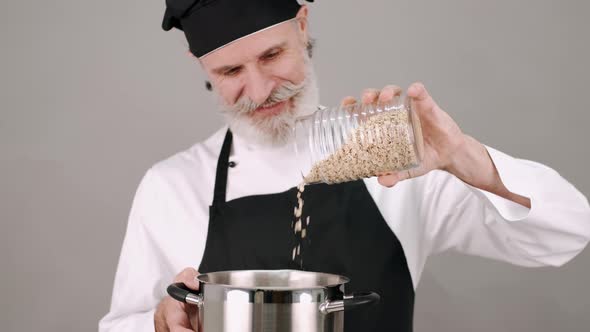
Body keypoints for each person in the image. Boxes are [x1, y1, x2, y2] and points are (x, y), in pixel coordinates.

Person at [99, 1, 590, 331]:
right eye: (230, 71)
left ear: (303, 26)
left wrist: (463, 157)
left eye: (272, 54)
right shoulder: (173, 186)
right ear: (199, 65)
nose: (261, 89)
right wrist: (161, 322)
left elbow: (568, 230)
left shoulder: (394, 166)